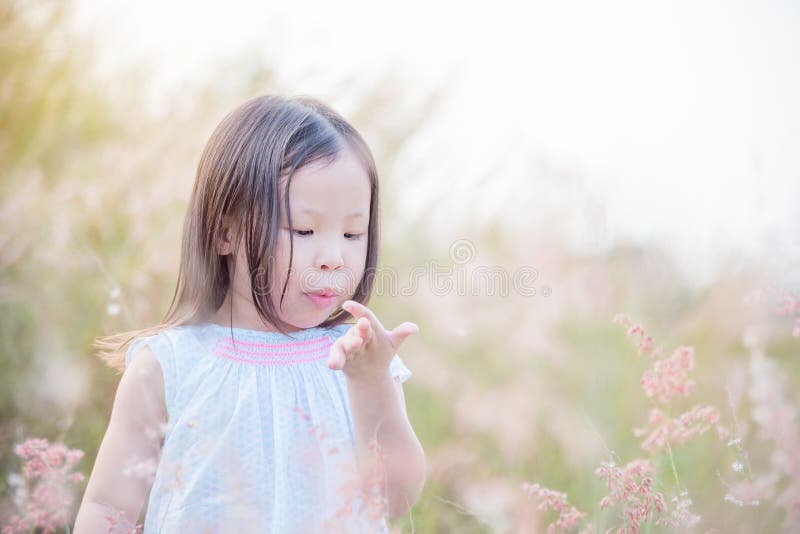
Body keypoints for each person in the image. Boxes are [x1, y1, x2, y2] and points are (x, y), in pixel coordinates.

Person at [74, 95, 427, 533]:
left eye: (354, 233)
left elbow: (395, 498)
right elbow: (110, 507)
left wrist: (373, 384)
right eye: (304, 230)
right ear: (225, 232)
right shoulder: (171, 366)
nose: (334, 257)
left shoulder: (357, 359)